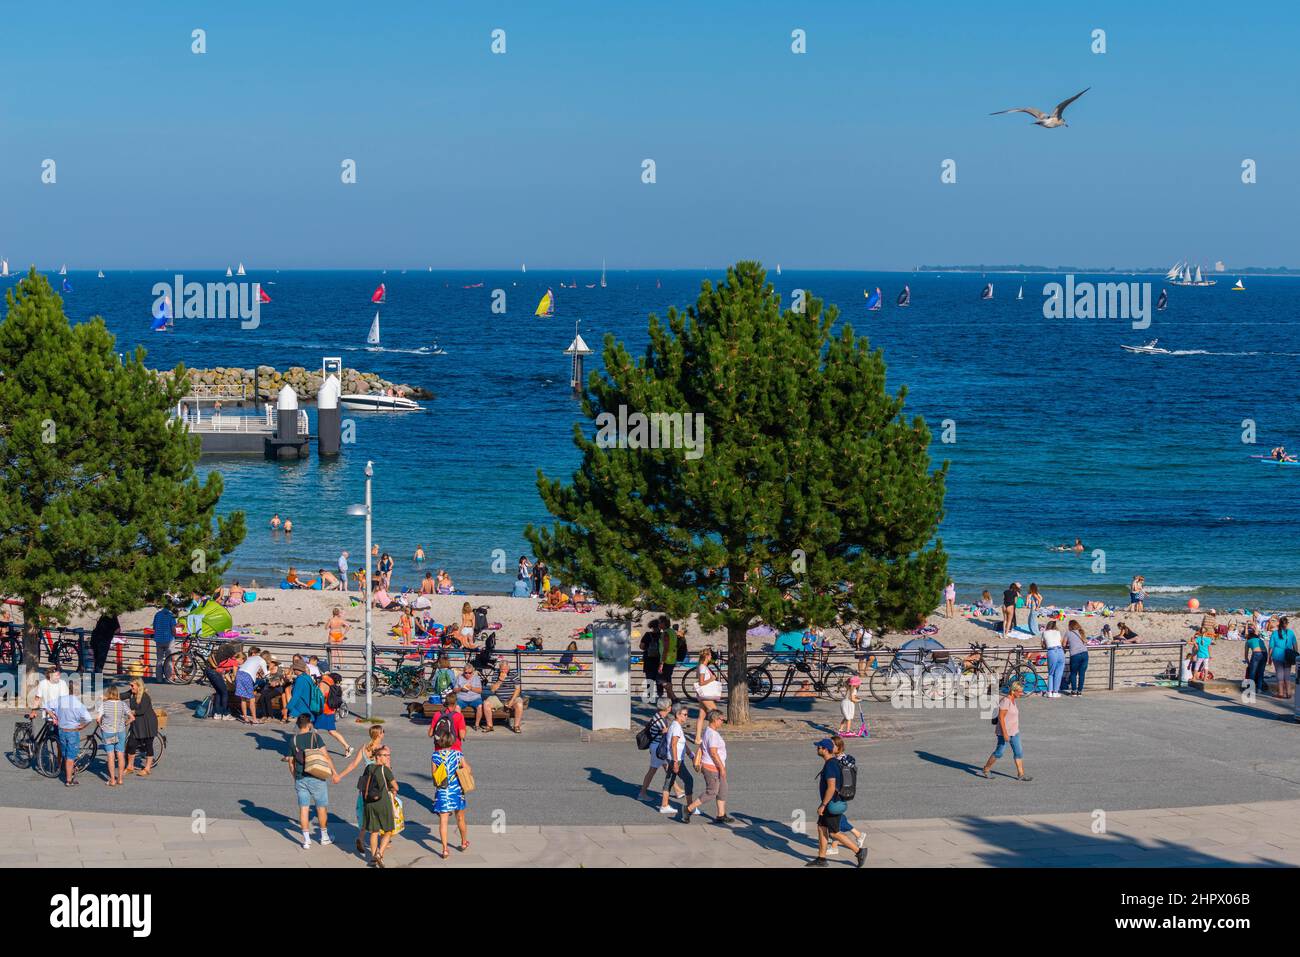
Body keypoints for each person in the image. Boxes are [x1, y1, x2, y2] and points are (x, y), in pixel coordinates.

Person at [808, 738, 868, 867]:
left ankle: (859, 851)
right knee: (821, 827)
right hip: (832, 803)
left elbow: (831, 787)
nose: (817, 749)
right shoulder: (832, 762)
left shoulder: (831, 765)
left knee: (834, 832)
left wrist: (823, 805)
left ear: (826, 750)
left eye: (819, 747)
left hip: (832, 804)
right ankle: (822, 859)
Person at [284, 713, 338, 850]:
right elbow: (326, 757)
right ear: (309, 724)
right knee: (321, 808)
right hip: (317, 777)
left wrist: (295, 777)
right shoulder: (315, 737)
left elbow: (290, 762)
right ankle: (324, 836)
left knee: (304, 809)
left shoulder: (293, 741)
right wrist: (334, 773)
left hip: (300, 778)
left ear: (298, 725)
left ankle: (307, 841)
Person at [336, 725, 387, 855]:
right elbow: (387, 768)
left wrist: (339, 775)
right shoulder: (382, 749)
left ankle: (361, 837)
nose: (384, 734)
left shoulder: (365, 747)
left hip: (366, 784)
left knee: (367, 811)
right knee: (381, 810)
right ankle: (383, 838)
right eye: (383, 732)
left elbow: (353, 765)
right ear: (379, 734)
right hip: (378, 784)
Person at [685, 709, 732, 824]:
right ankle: (688, 809)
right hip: (712, 768)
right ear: (715, 720)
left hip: (715, 766)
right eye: (721, 719)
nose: (722, 721)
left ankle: (721, 815)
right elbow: (714, 753)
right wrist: (721, 768)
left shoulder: (709, 731)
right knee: (711, 792)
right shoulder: (712, 735)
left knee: (723, 790)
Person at [430, 724, 470, 858]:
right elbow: (468, 769)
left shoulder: (435, 756)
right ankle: (464, 842)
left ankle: (445, 849)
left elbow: (434, 775)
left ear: (440, 742)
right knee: (460, 818)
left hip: (442, 791)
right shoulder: (458, 754)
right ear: (452, 741)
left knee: (443, 822)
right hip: (457, 790)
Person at [981, 680, 1031, 781]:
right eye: (1020, 692)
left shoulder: (1013, 700)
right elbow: (1001, 718)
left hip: (1015, 731)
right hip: (1004, 732)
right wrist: (1005, 734)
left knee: (1019, 752)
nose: (1022, 694)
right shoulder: (1006, 701)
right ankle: (986, 769)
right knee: (999, 752)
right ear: (1013, 691)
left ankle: (1021, 774)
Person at [358, 746, 399, 867]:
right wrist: (392, 788)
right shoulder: (384, 770)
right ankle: (379, 854)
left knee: (374, 832)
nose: (387, 758)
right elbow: (396, 787)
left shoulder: (368, 768)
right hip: (383, 803)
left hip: (369, 803)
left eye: (388, 755)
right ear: (378, 757)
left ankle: (372, 859)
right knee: (388, 831)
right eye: (385, 755)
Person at [827, 735, 867, 852]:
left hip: (837, 794)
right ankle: (838, 844)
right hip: (846, 792)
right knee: (836, 817)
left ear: (838, 747)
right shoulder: (847, 759)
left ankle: (857, 835)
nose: (828, 747)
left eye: (831, 745)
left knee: (834, 817)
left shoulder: (837, 762)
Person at [659, 705, 694, 819]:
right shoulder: (676, 727)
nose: (686, 716)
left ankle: (664, 805)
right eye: (684, 714)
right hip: (676, 759)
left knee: (669, 780)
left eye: (687, 714)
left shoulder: (675, 725)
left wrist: (690, 755)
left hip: (674, 758)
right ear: (678, 715)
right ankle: (690, 806)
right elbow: (674, 744)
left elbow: (682, 743)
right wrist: (675, 762)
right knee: (689, 780)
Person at [637, 697, 675, 801]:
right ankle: (642, 793)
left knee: (668, 768)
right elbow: (669, 735)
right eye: (670, 705)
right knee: (652, 771)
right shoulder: (661, 722)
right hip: (658, 748)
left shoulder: (657, 716)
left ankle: (678, 790)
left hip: (656, 746)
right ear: (668, 708)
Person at [124, 677, 159, 777]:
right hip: (137, 724)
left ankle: (147, 768)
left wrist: (129, 712)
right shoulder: (132, 693)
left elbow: (141, 711)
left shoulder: (145, 696)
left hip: (147, 724)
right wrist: (109, 696)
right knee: (131, 744)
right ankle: (130, 767)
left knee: (148, 745)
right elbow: (121, 696)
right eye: (130, 685)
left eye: (132, 685)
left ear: (138, 686)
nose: (130, 688)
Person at [98, 684, 133, 787]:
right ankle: (120, 779)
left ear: (108, 694)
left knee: (110, 755)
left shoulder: (104, 704)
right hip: (120, 731)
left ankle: (112, 780)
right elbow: (132, 717)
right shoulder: (122, 704)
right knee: (120, 754)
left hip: (108, 732)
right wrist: (126, 723)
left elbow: (98, 719)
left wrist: (101, 726)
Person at [203, 637, 242, 720]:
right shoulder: (234, 661)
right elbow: (234, 675)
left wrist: (230, 682)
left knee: (219, 692)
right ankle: (225, 714)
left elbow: (227, 673)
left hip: (208, 670)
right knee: (224, 692)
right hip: (214, 672)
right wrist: (234, 682)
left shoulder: (225, 652)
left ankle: (217, 713)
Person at [315, 671, 352, 757]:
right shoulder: (335, 686)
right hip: (331, 710)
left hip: (322, 710)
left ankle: (314, 747)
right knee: (332, 731)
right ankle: (347, 747)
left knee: (314, 728)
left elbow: (319, 697)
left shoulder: (323, 684)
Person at [485, 659, 525, 733]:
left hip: (511, 697)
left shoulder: (514, 673)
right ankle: (489, 726)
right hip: (498, 698)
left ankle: (516, 726)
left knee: (519, 704)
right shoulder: (496, 673)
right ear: (499, 669)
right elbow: (493, 690)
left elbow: (517, 689)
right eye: (502, 669)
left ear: (508, 667)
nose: (504, 671)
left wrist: (511, 701)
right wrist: (500, 680)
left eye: (506, 669)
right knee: (486, 703)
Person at [693, 646, 723, 742]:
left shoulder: (702, 666)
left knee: (701, 716)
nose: (711, 656)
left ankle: (698, 738)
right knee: (716, 714)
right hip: (705, 695)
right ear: (706, 656)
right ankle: (712, 736)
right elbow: (701, 682)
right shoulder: (702, 667)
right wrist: (712, 679)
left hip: (703, 695)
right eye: (710, 654)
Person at [236, 646, 268, 723]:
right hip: (247, 676)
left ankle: (245, 718)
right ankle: (254, 719)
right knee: (252, 699)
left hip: (239, 674)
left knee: (243, 698)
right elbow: (266, 674)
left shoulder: (249, 659)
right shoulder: (261, 660)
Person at [1268, 616, 1297, 700]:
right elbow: (1295, 645)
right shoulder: (1291, 632)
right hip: (1288, 656)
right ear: (1287, 624)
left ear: (1279, 624)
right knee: (1287, 675)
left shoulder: (1274, 633)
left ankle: (1280, 693)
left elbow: (1271, 647)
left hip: (1277, 656)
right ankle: (1289, 693)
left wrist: (1269, 658)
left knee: (1279, 674)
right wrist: (1296, 655)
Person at [455, 663, 488, 731]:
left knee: (480, 706)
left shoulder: (476, 678)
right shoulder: (459, 677)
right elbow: (454, 689)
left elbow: (480, 691)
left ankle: (477, 724)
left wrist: (471, 688)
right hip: (462, 698)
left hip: (474, 698)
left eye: (469, 673)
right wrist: (461, 689)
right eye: (466, 672)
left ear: (472, 672)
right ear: (463, 672)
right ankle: (460, 724)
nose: (467, 674)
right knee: (457, 707)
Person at [659, 617, 684, 703]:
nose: (658, 624)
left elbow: (666, 648)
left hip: (667, 659)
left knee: (661, 679)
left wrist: (662, 663)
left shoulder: (666, 633)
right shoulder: (672, 632)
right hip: (672, 658)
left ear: (664, 624)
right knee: (668, 679)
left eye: (660, 623)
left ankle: (673, 697)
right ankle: (670, 699)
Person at [150, 604, 176, 682]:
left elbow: (154, 627)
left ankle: (159, 678)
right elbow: (173, 629)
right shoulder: (171, 615)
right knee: (169, 660)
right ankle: (169, 678)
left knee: (159, 660)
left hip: (159, 640)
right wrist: (175, 635)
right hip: (169, 640)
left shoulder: (157, 615)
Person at [1064, 619, 1089, 696]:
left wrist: (1069, 645)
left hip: (1075, 655)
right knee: (1082, 674)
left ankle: (1074, 691)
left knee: (1073, 673)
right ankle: (1080, 691)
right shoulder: (1081, 631)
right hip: (1085, 654)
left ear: (1070, 626)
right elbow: (1086, 641)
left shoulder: (1068, 633)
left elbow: (1064, 644)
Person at [1041, 619, 1065, 697]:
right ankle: (1055, 692)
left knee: (1051, 673)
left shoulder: (1044, 633)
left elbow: (1043, 645)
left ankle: (1049, 692)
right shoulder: (1058, 632)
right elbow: (1060, 642)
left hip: (1052, 652)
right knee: (1058, 673)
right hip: (1060, 651)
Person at [1244, 621, 1269, 695]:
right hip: (1265, 653)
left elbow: (1246, 655)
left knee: (1252, 672)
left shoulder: (1248, 641)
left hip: (1257, 654)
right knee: (1261, 672)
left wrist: (1248, 663)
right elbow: (1257, 630)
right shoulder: (1259, 639)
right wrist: (1254, 624)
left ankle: (1251, 690)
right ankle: (1259, 689)